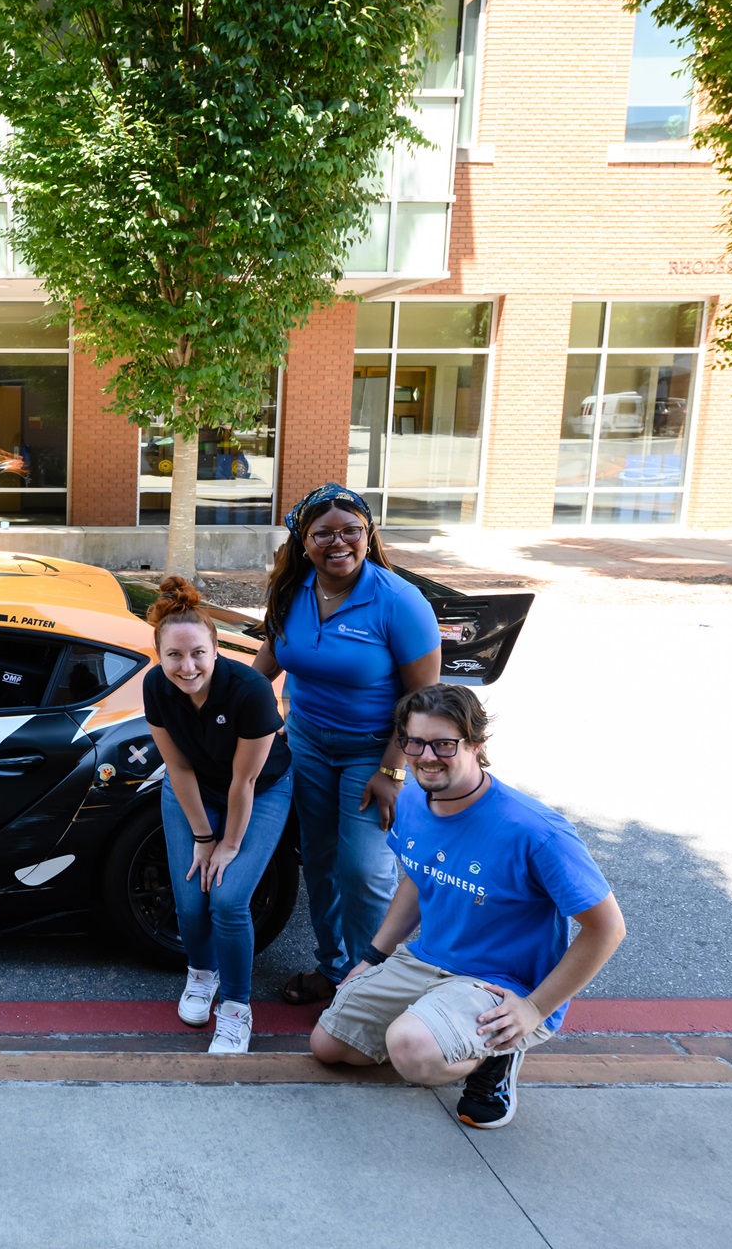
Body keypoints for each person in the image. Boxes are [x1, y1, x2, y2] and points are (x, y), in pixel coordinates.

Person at [309, 684, 625, 1129]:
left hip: (502, 985)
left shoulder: (534, 831)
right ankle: (437, 1024)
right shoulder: (416, 798)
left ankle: (499, 1055)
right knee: (330, 1046)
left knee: (411, 1049)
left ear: (477, 745)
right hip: (428, 961)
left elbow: (607, 929)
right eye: (414, 742)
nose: (426, 756)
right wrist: (372, 957)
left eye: (444, 744)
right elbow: (418, 879)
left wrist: (535, 1007)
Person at [253, 483, 441, 1007]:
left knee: (363, 869)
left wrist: (394, 769)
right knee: (319, 861)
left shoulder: (399, 602)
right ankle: (333, 968)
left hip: (374, 752)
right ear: (303, 541)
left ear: (369, 532)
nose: (339, 542)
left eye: (351, 530)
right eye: (324, 533)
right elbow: (264, 667)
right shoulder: (292, 591)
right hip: (308, 743)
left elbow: (424, 700)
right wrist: (235, 717)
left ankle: (374, 985)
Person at [142, 577, 294, 1054]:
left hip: (259, 789)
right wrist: (203, 837)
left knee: (227, 901)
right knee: (189, 900)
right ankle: (201, 975)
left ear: (214, 650)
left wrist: (227, 845)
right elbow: (179, 767)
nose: (187, 667)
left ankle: (235, 1007)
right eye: (174, 656)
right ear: (160, 654)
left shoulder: (249, 690)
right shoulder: (156, 687)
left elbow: (244, 782)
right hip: (191, 789)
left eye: (198, 654)